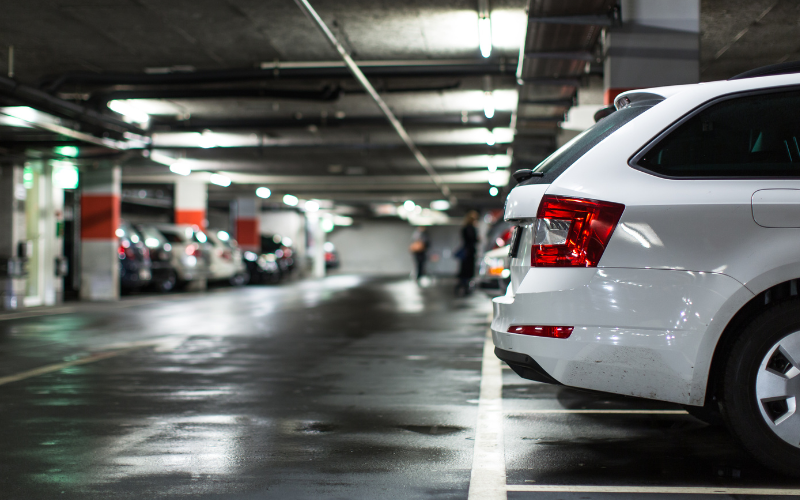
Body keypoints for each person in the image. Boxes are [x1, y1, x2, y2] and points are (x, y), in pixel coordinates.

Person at [455, 211, 479, 296]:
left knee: (464, 270)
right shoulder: (471, 228)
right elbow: (473, 240)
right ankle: (464, 287)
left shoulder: (465, 228)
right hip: (469, 252)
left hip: (467, 251)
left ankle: (462, 286)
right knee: (467, 271)